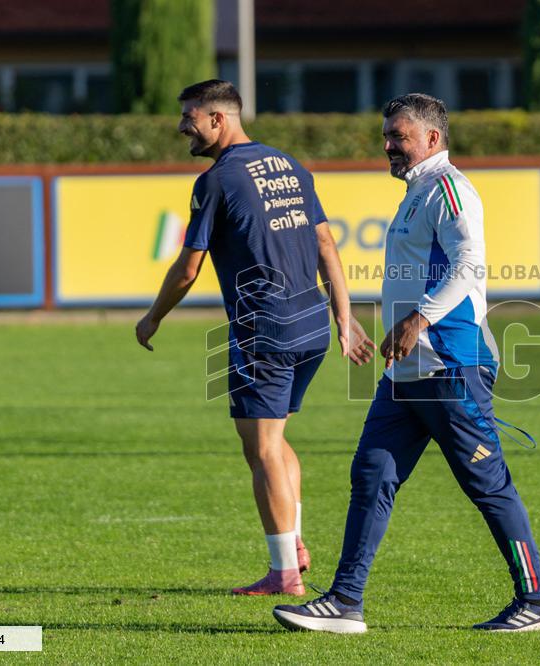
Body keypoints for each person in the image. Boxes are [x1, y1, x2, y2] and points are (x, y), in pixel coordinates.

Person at [273, 94, 540, 633]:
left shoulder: (451, 188)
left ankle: (538, 602)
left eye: (398, 136)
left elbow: (470, 264)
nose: (388, 145)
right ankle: (344, 602)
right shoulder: (419, 191)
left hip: (451, 364)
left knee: (487, 484)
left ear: (432, 139)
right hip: (408, 371)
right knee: (372, 473)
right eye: (386, 135)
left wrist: (420, 320)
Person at [135, 79, 373, 596]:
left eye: (189, 117)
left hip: (264, 329)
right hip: (310, 322)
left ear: (218, 119)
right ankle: (296, 545)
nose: (182, 127)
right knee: (275, 439)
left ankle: (284, 573)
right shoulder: (289, 164)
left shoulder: (216, 180)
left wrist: (152, 317)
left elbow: (186, 269)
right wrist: (343, 317)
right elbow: (326, 243)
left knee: (261, 447)